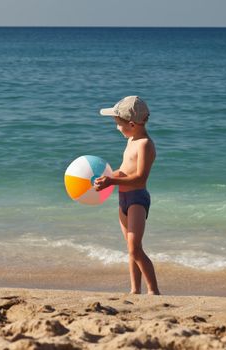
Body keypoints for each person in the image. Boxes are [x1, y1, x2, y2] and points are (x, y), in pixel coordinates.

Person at [94, 96, 160, 295]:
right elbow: (124, 170)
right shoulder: (132, 139)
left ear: (131, 124)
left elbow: (140, 178)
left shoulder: (145, 145)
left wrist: (112, 182)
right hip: (123, 198)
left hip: (137, 199)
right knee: (131, 249)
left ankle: (154, 291)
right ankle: (134, 290)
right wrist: (107, 177)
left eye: (118, 124)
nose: (117, 128)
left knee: (135, 248)